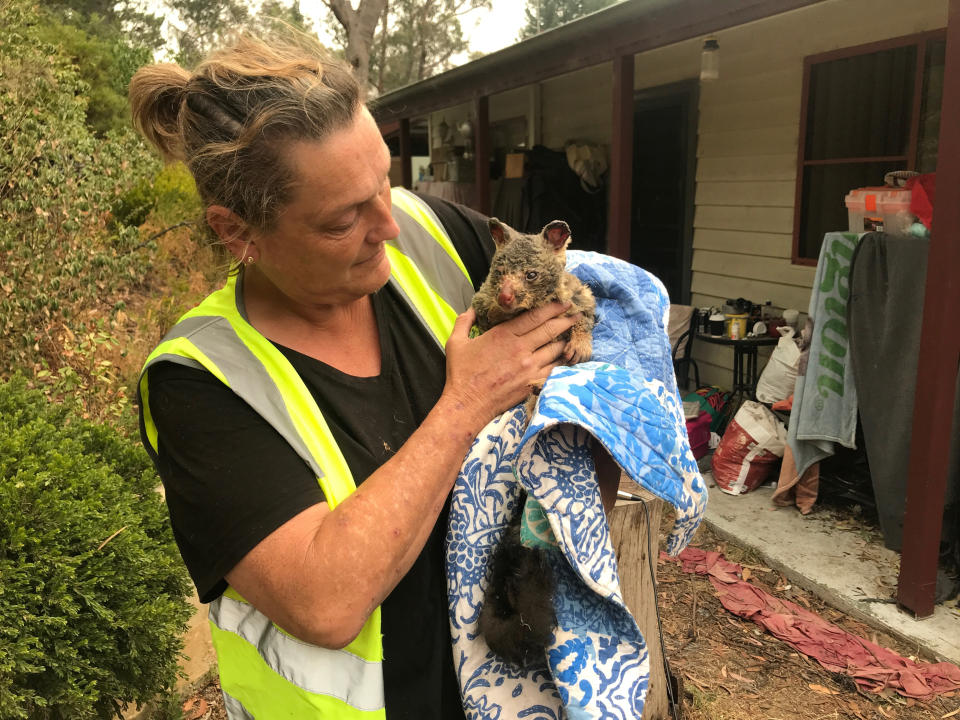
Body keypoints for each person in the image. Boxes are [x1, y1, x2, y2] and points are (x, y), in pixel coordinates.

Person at [128, 32, 579, 720]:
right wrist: (466, 404)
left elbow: (575, 310)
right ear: (237, 232)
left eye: (385, 183)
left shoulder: (434, 235)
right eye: (344, 219)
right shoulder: (201, 382)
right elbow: (324, 601)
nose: (389, 226)